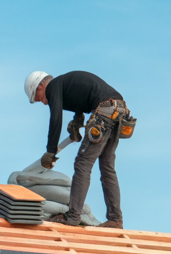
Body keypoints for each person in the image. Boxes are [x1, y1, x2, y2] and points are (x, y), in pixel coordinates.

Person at [24, 70, 130, 229]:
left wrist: (50, 151)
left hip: (106, 110)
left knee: (82, 163)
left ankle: (73, 215)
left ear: (40, 86)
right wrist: (77, 120)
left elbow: (56, 118)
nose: (44, 103)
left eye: (39, 98)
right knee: (107, 167)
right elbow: (82, 98)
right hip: (119, 110)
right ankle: (115, 219)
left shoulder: (53, 86)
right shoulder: (65, 85)